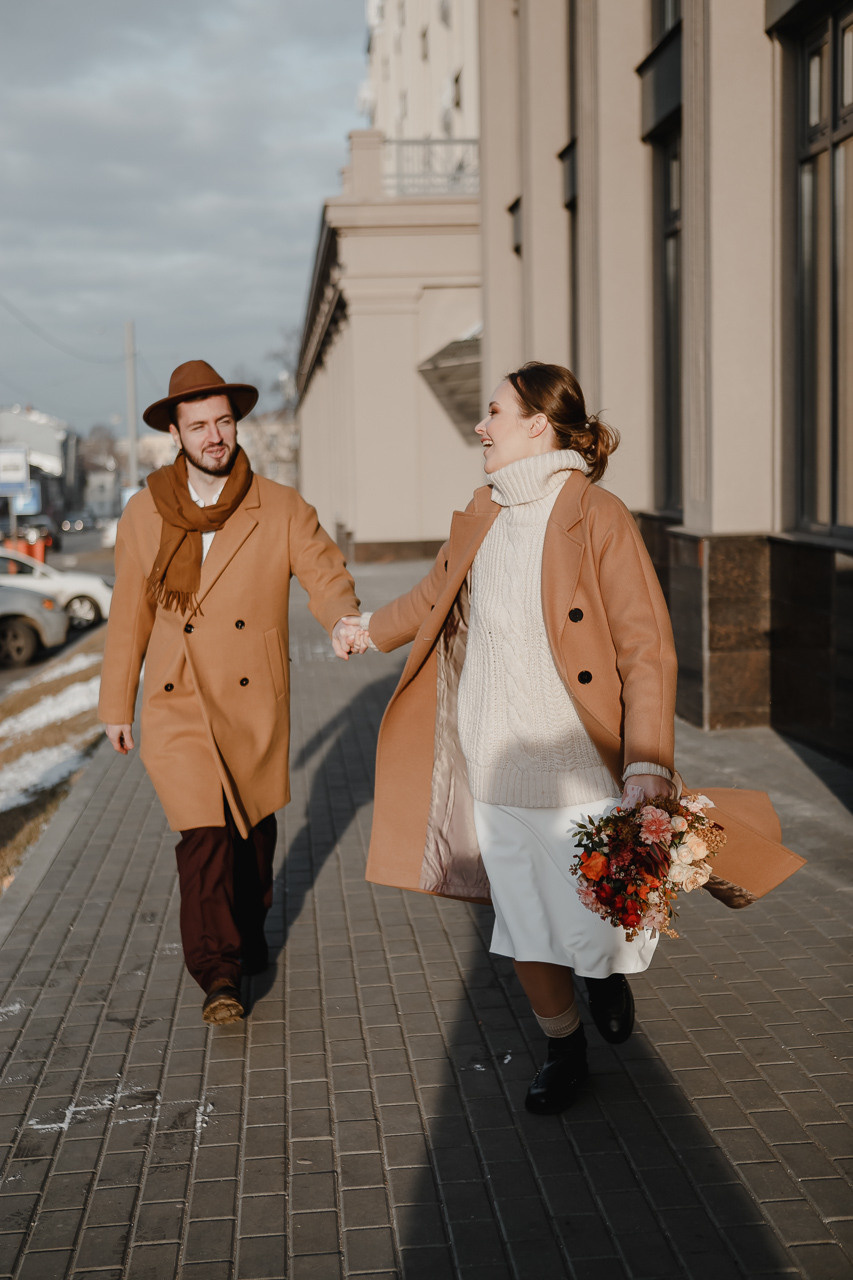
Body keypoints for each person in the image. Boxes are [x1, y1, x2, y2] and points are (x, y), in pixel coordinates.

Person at [356, 362, 678, 1114]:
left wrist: (648, 759)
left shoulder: (595, 515)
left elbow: (644, 646)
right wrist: (365, 629)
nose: (480, 424)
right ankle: (561, 1047)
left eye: (493, 411)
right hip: (494, 760)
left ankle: (600, 974)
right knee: (526, 925)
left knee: (598, 922)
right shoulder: (482, 510)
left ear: (537, 423)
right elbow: (433, 593)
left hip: (580, 767)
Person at [98, 360, 364, 1026]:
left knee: (249, 835)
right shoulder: (145, 512)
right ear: (176, 434)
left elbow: (324, 572)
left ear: (234, 424)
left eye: (222, 422)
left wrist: (343, 620)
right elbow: (129, 611)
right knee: (204, 834)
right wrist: (114, 705)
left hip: (250, 698)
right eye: (198, 426)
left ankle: (247, 935)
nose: (213, 436)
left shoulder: (277, 506)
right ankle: (217, 973)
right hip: (175, 696)